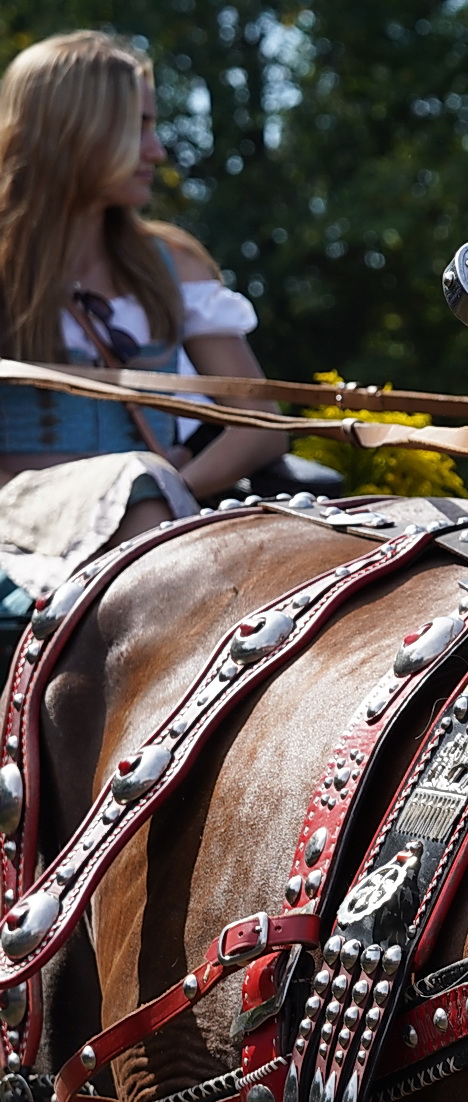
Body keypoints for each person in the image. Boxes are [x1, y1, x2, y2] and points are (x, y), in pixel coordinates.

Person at [0, 31, 282, 649]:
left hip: (151, 507)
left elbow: (260, 422)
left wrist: (169, 486)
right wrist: (137, 487)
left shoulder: (172, 263)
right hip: (16, 522)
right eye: (138, 128)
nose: (157, 150)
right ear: (72, 130)